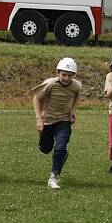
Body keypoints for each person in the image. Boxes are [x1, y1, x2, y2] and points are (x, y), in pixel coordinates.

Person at [32, 57, 81, 189]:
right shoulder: (50, 84)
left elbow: (76, 96)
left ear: (74, 76)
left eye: (69, 75)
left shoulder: (76, 85)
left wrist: (73, 111)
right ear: (58, 73)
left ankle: (53, 177)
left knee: (60, 147)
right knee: (45, 149)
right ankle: (56, 151)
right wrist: (39, 119)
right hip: (48, 120)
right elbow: (36, 99)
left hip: (64, 121)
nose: (66, 78)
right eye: (63, 75)